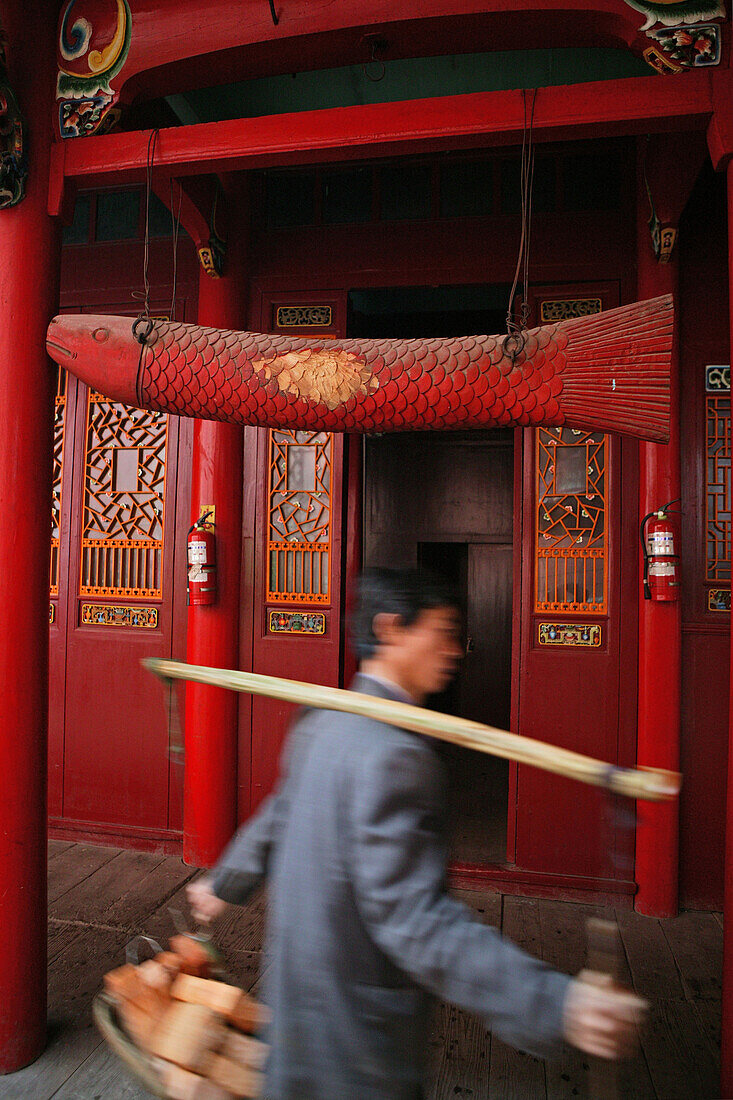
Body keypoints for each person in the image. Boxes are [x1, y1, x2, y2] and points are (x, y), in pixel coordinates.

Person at [187, 567, 645, 1099]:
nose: (455, 649)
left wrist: (223, 883)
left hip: (298, 996)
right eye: (443, 631)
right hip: (357, 1035)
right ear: (390, 629)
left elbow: (278, 812)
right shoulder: (395, 756)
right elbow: (412, 917)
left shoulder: (322, 718)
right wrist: (554, 1003)